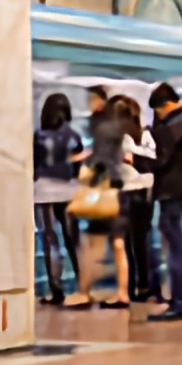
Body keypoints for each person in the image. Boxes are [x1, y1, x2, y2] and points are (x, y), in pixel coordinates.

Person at [143, 79, 182, 318]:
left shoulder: (172, 128)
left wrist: (136, 159)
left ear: (167, 104)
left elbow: (160, 162)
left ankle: (180, 303)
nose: (158, 115)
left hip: (173, 193)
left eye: (158, 110)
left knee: (177, 250)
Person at [63, 119, 132, 310]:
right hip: (120, 197)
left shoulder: (103, 152)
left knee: (91, 245)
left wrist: (88, 170)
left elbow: (96, 169)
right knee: (118, 244)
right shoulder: (123, 143)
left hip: (105, 199)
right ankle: (122, 292)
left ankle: (83, 292)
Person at [30, 91, 84, 307]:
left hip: (44, 192)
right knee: (74, 241)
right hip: (69, 192)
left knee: (51, 240)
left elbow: (33, 165)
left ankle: (56, 290)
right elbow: (78, 167)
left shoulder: (38, 136)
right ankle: (83, 287)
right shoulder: (74, 136)